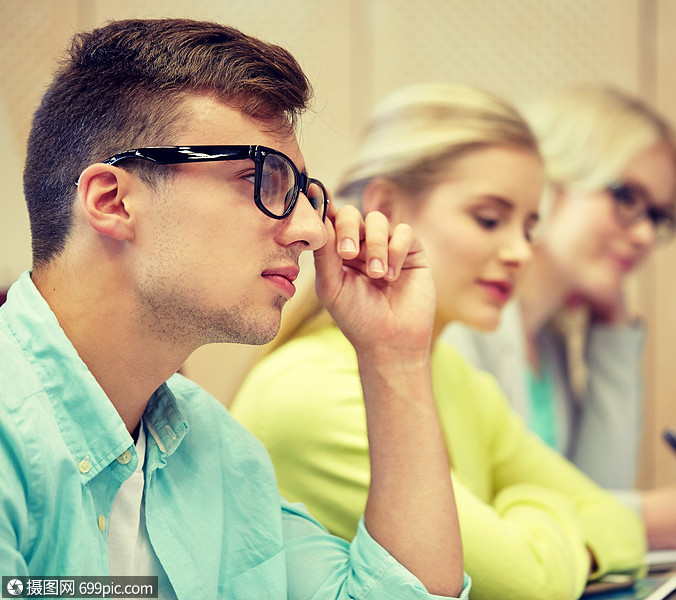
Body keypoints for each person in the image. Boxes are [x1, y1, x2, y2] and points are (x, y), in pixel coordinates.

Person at [0, 18, 470, 599]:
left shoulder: (214, 448)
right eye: (263, 180)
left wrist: (393, 357)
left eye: (304, 193)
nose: (311, 232)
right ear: (113, 200)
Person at [231, 82, 646, 600]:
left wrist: (528, 524)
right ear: (385, 206)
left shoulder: (453, 374)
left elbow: (619, 524)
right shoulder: (312, 392)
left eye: (530, 226)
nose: (520, 251)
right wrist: (536, 507)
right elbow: (527, 585)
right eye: (489, 219)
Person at [442, 84, 676, 550]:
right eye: (627, 198)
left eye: (658, 216)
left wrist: (614, 335)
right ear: (547, 180)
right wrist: (646, 522)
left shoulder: (546, 343)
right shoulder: (460, 324)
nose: (645, 235)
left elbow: (597, 493)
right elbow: (469, 528)